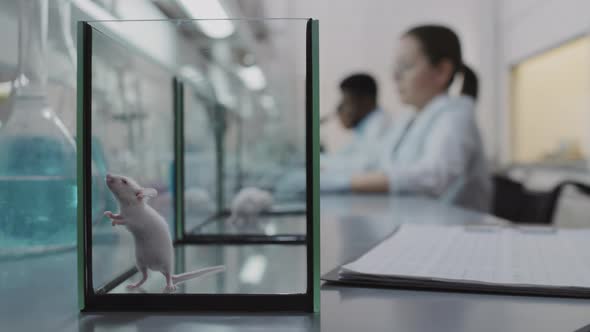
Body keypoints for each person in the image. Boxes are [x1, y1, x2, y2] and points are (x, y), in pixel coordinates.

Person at [322, 25, 491, 212]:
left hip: (455, 228)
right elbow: (373, 162)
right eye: (395, 67)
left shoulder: (456, 114)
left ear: (442, 71)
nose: (395, 76)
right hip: (415, 220)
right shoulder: (409, 118)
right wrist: (321, 169)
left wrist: (345, 182)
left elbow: (433, 176)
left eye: (405, 66)